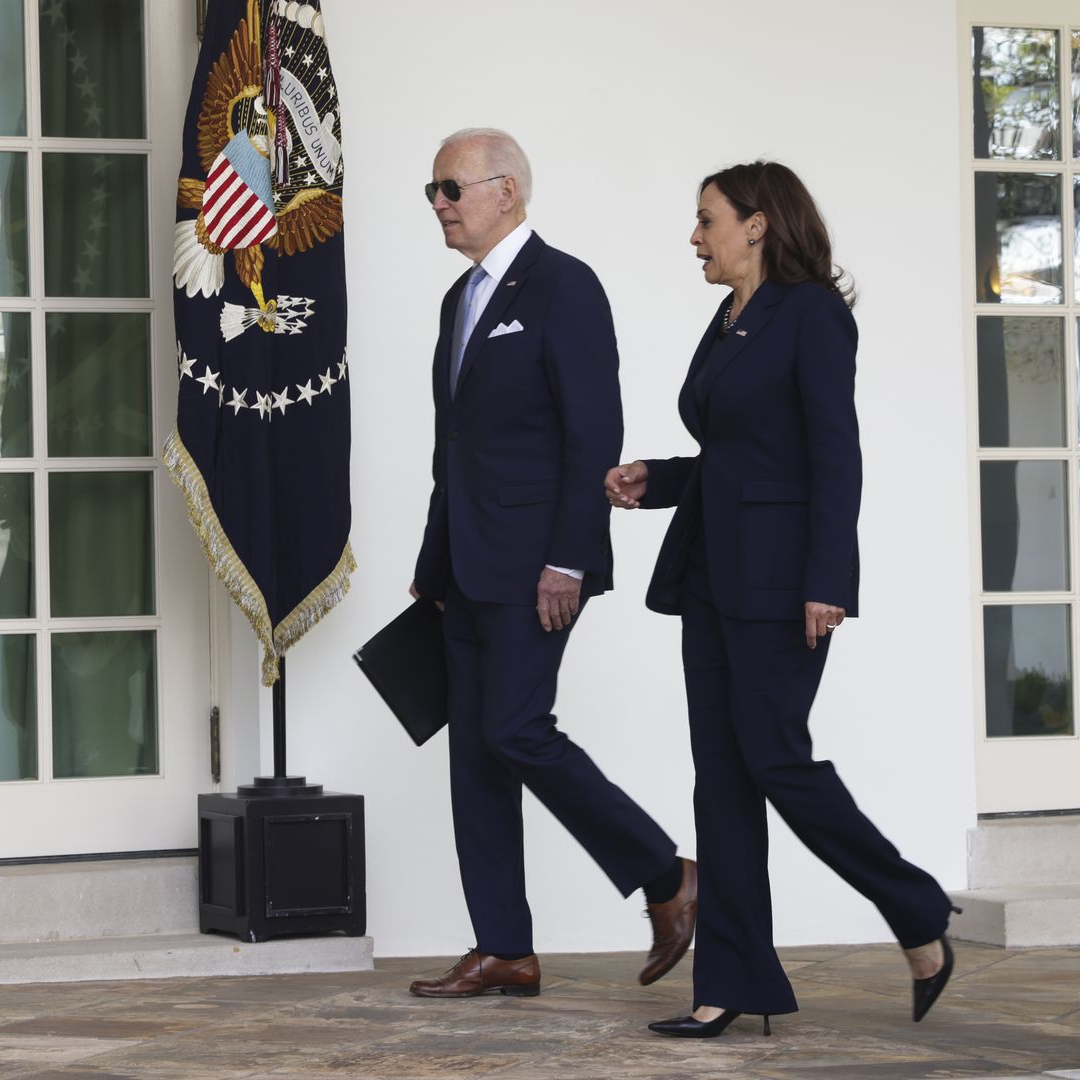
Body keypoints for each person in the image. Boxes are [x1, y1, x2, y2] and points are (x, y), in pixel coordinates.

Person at [605, 161, 957, 1038]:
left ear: (757, 224)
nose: (695, 238)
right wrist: (659, 480)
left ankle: (915, 906)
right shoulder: (730, 316)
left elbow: (834, 453)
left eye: (707, 220)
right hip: (709, 578)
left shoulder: (811, 314)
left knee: (774, 760)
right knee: (722, 781)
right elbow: (741, 452)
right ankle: (730, 984)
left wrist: (828, 580)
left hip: (781, 583)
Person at [407, 128, 696, 1000]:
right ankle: (504, 948)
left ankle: (667, 875)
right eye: (432, 191)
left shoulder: (566, 285)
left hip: (537, 564)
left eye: (452, 188)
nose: (440, 204)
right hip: (464, 565)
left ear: (506, 191)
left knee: (515, 730)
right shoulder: (459, 298)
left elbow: (591, 432)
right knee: (475, 756)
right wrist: (432, 559)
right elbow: (452, 447)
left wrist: (569, 558)